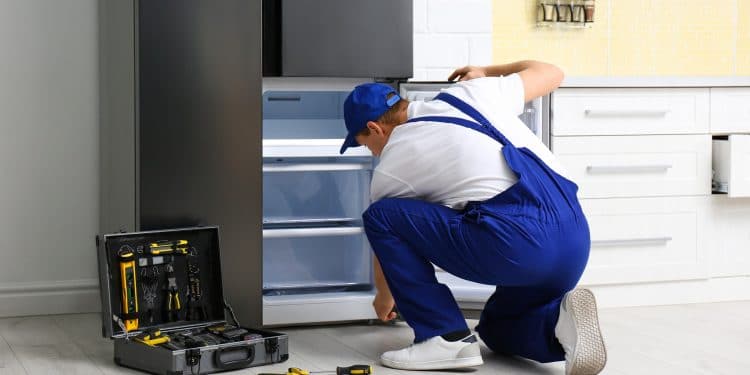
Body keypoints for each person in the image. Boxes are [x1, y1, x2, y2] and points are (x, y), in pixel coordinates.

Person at [338, 60, 607, 375]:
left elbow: (387, 233)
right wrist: (487, 72)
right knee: (495, 330)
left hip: (519, 245)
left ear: (374, 128)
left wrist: (385, 296)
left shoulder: (395, 161)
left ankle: (445, 337)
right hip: (573, 238)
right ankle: (559, 323)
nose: (372, 153)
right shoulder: (474, 91)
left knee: (380, 216)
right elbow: (552, 72)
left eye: (364, 145)